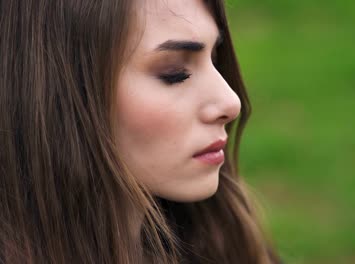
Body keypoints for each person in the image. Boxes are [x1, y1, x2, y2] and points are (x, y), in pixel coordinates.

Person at [0, 0, 280, 263]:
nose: (231, 102)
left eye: (215, 59)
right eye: (174, 72)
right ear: (55, 94)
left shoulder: (225, 245)